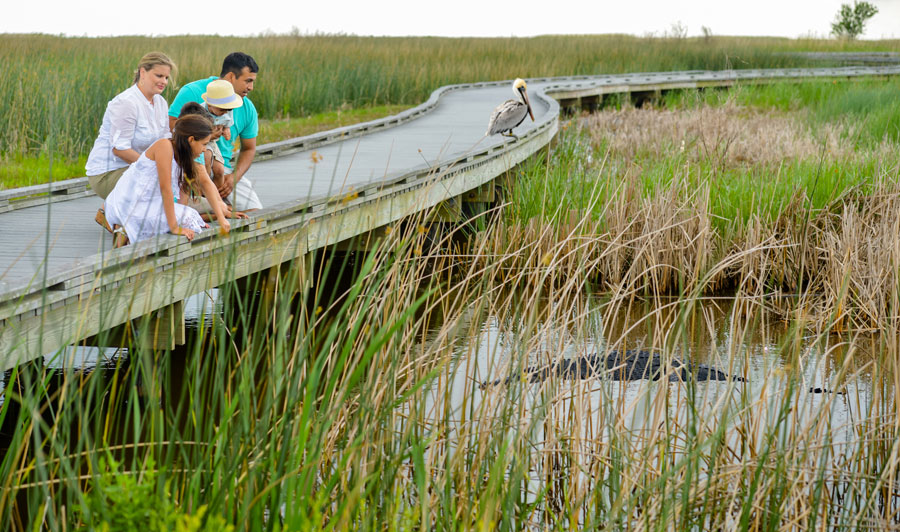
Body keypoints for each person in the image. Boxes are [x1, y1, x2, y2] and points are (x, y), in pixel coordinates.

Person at [104, 114, 231, 246]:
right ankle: (125, 231)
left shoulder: (184, 157)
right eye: (204, 144)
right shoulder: (164, 146)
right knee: (183, 218)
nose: (205, 149)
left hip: (152, 202)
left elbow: (199, 189)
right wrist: (174, 227)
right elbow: (166, 189)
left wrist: (221, 218)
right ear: (191, 139)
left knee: (189, 216)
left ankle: (129, 233)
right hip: (131, 202)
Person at [169, 52, 262, 212]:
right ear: (231, 76)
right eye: (248, 81)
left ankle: (219, 205)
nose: (251, 87)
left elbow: (249, 149)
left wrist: (233, 178)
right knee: (208, 209)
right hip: (189, 164)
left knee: (254, 211)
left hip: (222, 169)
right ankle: (205, 204)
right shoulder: (191, 92)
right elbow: (172, 129)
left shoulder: (247, 107)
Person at [87, 52, 175, 201]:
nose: (164, 82)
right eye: (159, 76)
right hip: (109, 172)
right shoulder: (126, 102)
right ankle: (111, 212)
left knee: (175, 188)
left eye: (166, 77)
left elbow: (165, 142)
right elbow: (120, 149)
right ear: (142, 72)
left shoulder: (161, 102)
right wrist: (154, 168)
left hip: (140, 169)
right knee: (163, 194)